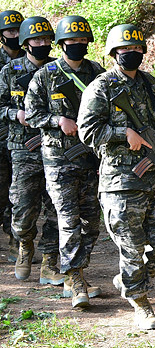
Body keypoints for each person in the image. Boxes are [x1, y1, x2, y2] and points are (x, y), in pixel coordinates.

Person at [78, 24, 155, 330]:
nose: (131, 53)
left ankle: (130, 279)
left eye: (136, 49)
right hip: (120, 182)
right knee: (132, 247)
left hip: (154, 177)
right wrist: (123, 134)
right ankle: (141, 303)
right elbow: (87, 130)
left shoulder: (152, 85)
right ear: (113, 53)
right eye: (124, 50)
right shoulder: (101, 86)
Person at [26, 16, 105, 308]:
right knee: (68, 219)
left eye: (83, 41)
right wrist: (57, 119)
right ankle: (74, 279)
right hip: (58, 159)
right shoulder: (46, 75)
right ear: (61, 44)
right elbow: (32, 115)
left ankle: (78, 269)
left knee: (91, 222)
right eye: (72, 41)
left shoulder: (96, 72)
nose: (78, 45)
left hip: (90, 157)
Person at [0, 16, 61, 284]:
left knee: (56, 206)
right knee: (23, 208)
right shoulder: (9, 71)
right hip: (22, 146)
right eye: (37, 40)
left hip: (56, 147)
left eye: (47, 39)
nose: (43, 44)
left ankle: (50, 261)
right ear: (26, 43)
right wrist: (15, 114)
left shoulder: (59, 69)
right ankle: (24, 244)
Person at [0, 10, 24, 259]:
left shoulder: (34, 62)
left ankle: (15, 239)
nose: (15, 36)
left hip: (22, 139)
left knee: (17, 189)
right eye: (10, 32)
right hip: (2, 133)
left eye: (19, 31)